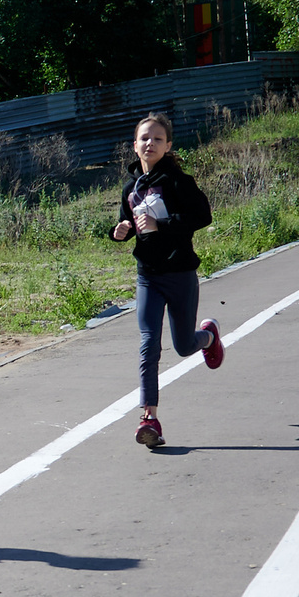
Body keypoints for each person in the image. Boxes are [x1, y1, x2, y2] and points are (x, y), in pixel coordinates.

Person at [111, 112, 221, 450]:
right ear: (134, 145)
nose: (150, 143)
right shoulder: (131, 189)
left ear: (168, 145)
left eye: (158, 139)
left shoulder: (178, 182)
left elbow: (203, 216)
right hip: (148, 276)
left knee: (184, 345)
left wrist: (164, 225)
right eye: (144, 138)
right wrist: (119, 232)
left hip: (180, 274)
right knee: (148, 344)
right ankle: (149, 418)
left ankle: (208, 336)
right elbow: (125, 223)